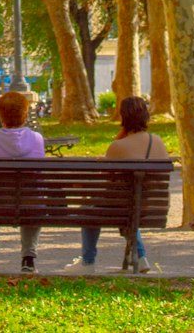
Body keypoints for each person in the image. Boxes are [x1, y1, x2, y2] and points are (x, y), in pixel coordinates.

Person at [69, 95, 170, 274]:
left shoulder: (118, 146)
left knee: (88, 208)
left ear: (123, 118)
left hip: (122, 207)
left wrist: (121, 135)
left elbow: (106, 179)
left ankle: (88, 261)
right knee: (129, 208)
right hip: (152, 207)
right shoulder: (158, 141)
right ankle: (140, 256)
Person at [0, 89, 45, 273]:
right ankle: (28, 259)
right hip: (30, 205)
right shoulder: (37, 139)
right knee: (33, 197)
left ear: (0, 114)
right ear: (25, 114)